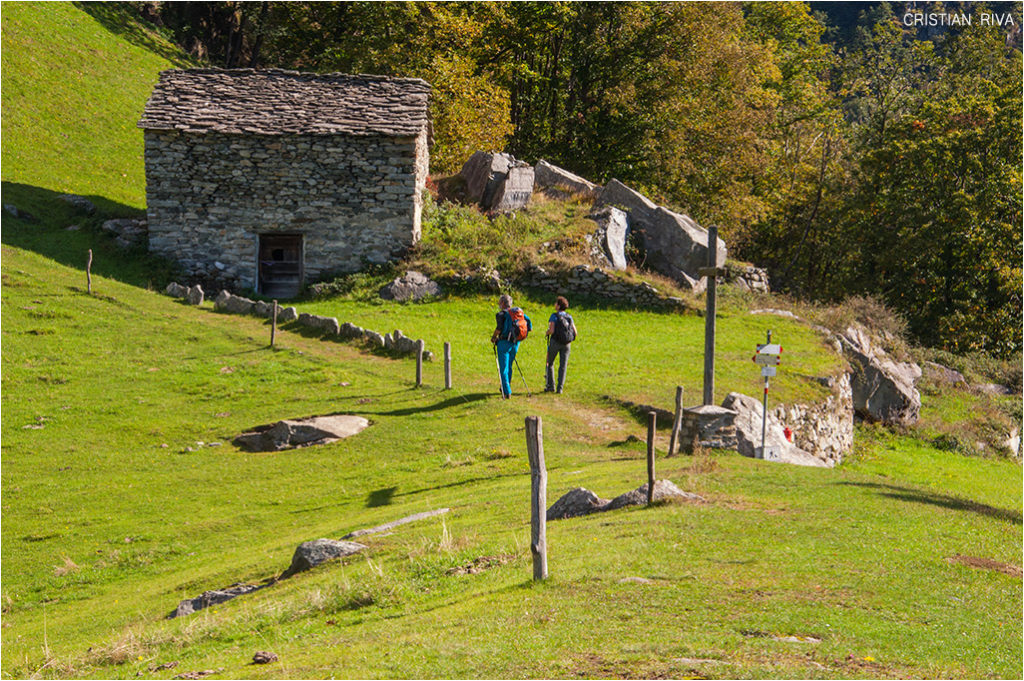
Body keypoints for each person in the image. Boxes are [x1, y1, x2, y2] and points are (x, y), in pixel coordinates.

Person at [490, 294, 532, 398]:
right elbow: (529, 324)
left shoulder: (501, 314)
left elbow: (499, 328)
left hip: (504, 343)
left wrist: (494, 337)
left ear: (503, 303)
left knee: (503, 368)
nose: (499, 304)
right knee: (509, 366)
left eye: (499, 302)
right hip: (515, 343)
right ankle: (505, 386)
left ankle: (507, 392)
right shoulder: (518, 313)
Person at [545, 295, 577, 393]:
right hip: (567, 343)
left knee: (549, 363)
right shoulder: (569, 316)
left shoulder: (554, 316)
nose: (554, 305)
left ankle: (550, 386)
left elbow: (552, 330)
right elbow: (575, 332)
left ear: (558, 306)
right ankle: (560, 388)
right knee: (563, 366)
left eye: (556, 303)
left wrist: (547, 333)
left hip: (555, 341)